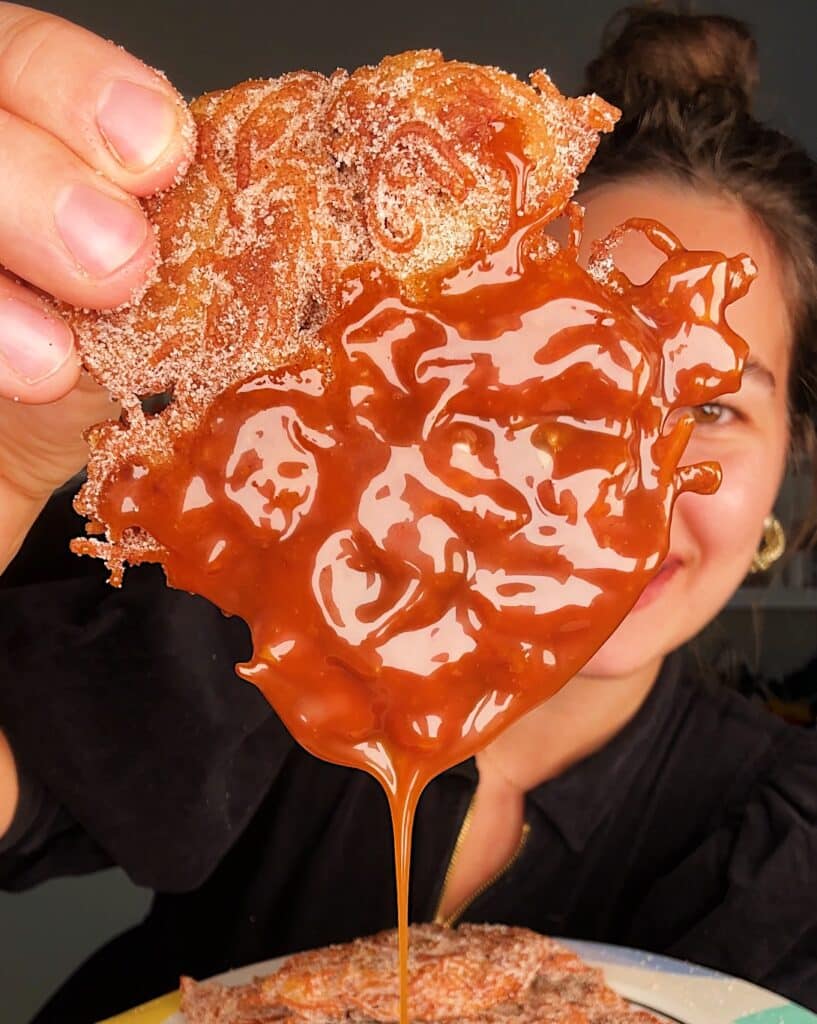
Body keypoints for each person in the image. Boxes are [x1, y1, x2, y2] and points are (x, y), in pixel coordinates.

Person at [0, 4, 816, 1020]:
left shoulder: (788, 847)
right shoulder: (266, 655)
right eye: (561, 369)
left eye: (710, 404)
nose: (632, 477)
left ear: (793, 450)